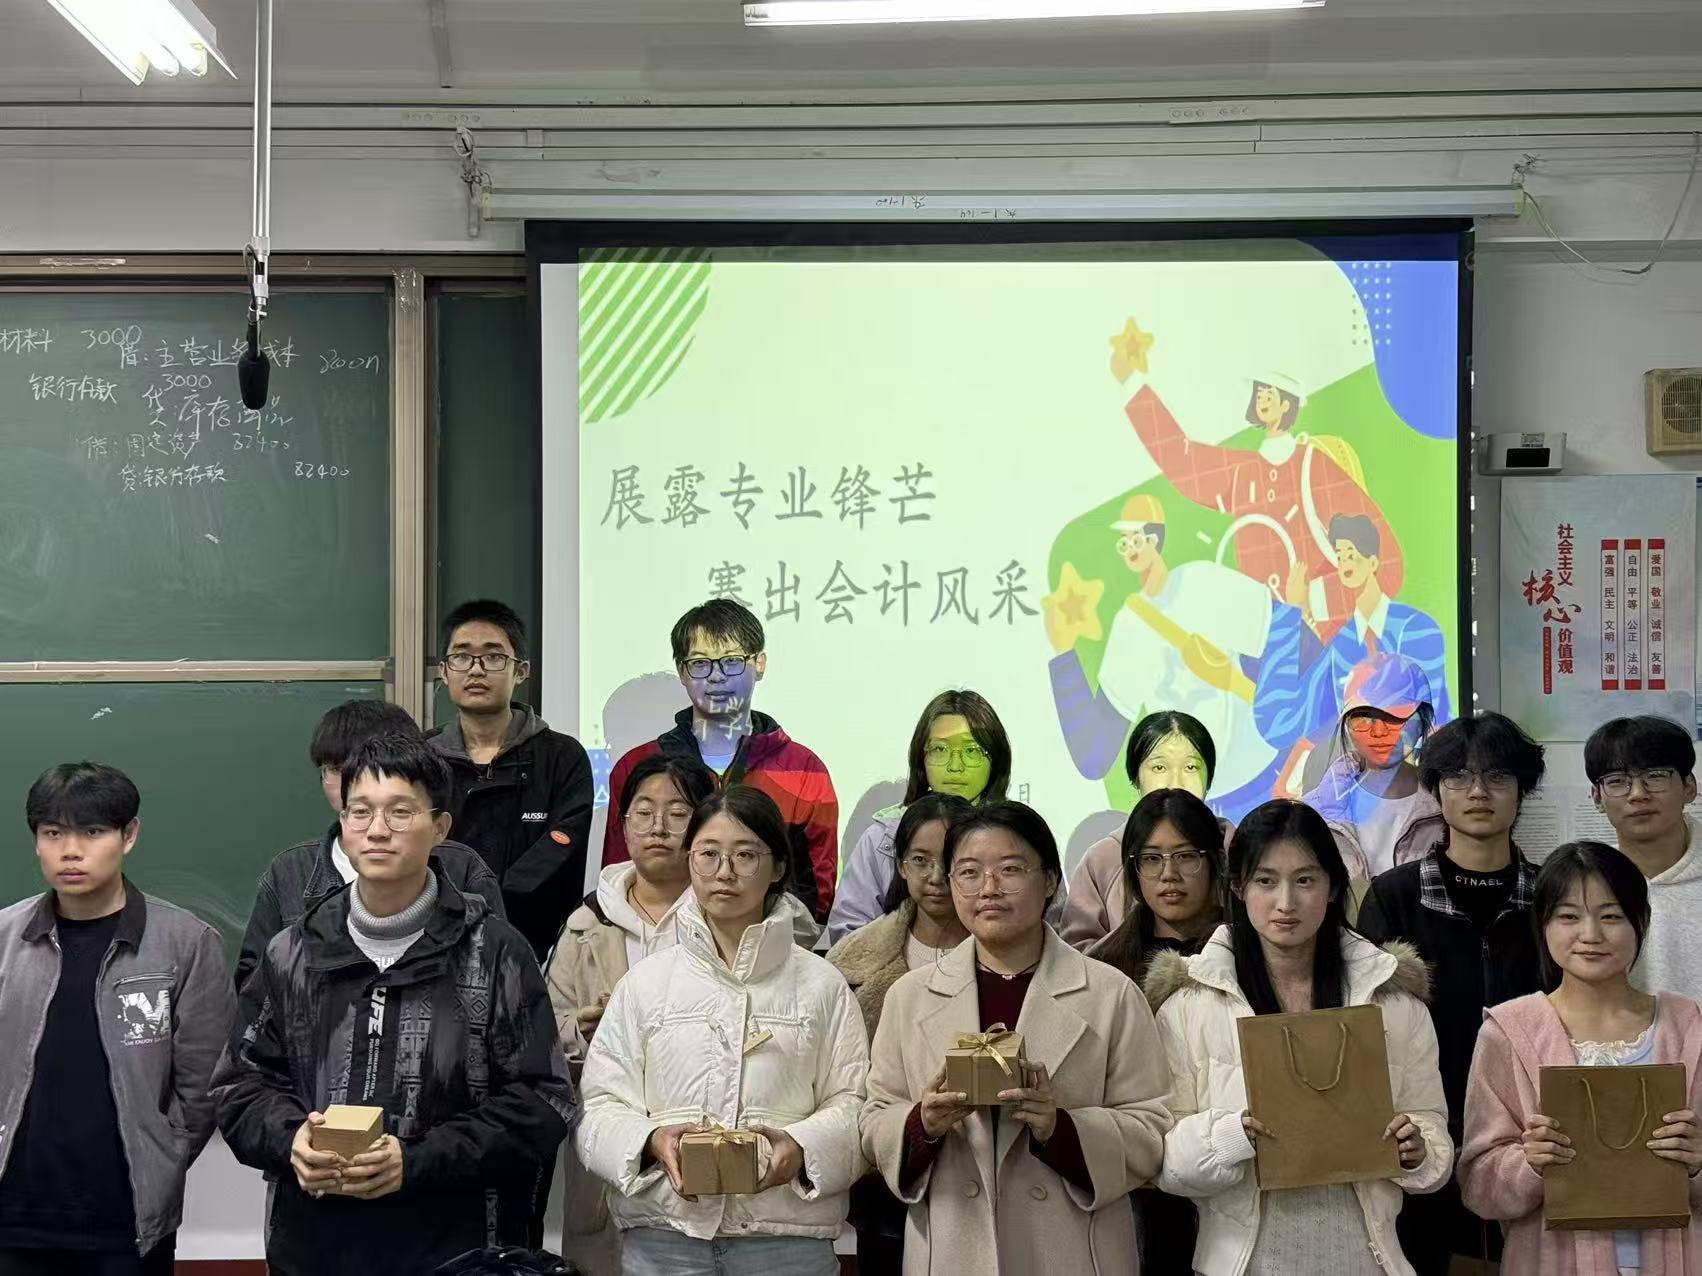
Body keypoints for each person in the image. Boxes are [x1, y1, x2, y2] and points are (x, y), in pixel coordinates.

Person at [212, 733, 577, 1276]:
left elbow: (544, 1101)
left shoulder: (494, 951)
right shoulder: (295, 951)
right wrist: (293, 1141)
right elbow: (239, 1086)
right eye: (360, 812)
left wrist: (416, 1160)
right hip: (317, 1247)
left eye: (400, 812)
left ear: (441, 828)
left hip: (457, 1250)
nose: (377, 830)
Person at [862, 801, 1173, 1276]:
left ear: (1049, 880)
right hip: (952, 1250)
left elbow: (1152, 1128)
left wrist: (1060, 1128)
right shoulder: (910, 996)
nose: (988, 888)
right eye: (969, 872)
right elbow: (875, 1117)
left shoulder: (1111, 994)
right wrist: (922, 1124)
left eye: (1009, 869)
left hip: (1072, 1252)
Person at [1146, 799, 1451, 1276]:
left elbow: (1432, 1129)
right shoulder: (1189, 1007)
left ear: (1333, 887)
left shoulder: (1392, 1002)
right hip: (1244, 1264)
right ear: (1238, 886)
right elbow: (1166, 1162)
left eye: (1305, 880)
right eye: (1266, 881)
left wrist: (1417, 1150)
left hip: (1365, 1261)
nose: (1286, 902)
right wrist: (1232, 1134)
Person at [576, 786, 867, 1276]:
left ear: (778, 868)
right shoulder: (645, 983)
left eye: (745, 855)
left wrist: (800, 1147)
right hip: (664, 1241)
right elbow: (599, 1103)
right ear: (689, 861)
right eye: (708, 854)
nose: (724, 872)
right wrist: (652, 1141)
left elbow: (856, 1102)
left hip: (786, 1243)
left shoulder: (822, 985)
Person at [0, 763, 234, 1276]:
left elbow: (206, 1086)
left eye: (92, 832)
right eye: (53, 833)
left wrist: (164, 1154)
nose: (70, 851)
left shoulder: (186, 943)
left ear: (129, 835)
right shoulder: (5, 939)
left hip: (127, 1219)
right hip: (13, 1215)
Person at [1357, 712, 1547, 1275]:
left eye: (1497, 776)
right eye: (1459, 776)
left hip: (1533, 1144)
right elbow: (1366, 1029)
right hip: (1422, 1141)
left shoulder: (1553, 897)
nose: (1478, 792)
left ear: (1521, 789)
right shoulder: (1393, 898)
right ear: (1437, 789)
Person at [1459, 841, 1702, 1274]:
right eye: (1569, 916)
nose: (1591, 935)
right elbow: (1478, 1183)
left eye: (1611, 916)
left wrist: (1698, 1162)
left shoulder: (1690, 1025)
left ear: (1641, 922)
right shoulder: (1508, 1031)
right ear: (1543, 925)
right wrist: (1529, 1164)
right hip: (1552, 1261)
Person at [1111, 321, 1403, 633]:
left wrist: (1312, 599)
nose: (1262, 399)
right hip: (1265, 640)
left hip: (1321, 638)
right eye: (1260, 392)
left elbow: (1386, 563)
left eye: (1270, 393)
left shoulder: (1313, 468)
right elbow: (1184, 462)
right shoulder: (1244, 473)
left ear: (1287, 403)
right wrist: (1133, 386)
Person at [544, 754, 717, 1276]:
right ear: (623, 826)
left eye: (677, 813)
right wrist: (582, 1032)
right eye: (643, 812)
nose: (658, 827)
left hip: (700, 1127)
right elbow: (544, 1030)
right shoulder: (585, 924)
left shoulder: (726, 916)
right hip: (609, 1133)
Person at [236, 696, 504, 993]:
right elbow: (255, 989)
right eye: (335, 768)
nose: (351, 780)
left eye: (370, 765)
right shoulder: (290, 871)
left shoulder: (463, 868)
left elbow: (499, 981)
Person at [601, 598, 839, 926]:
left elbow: (815, 890)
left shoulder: (804, 769)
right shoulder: (638, 766)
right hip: (655, 942)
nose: (716, 677)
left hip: (767, 946)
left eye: (731, 661)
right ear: (682, 672)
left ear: (759, 664)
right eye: (700, 663)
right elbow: (619, 875)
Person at [1042, 493, 1278, 805]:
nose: (1130, 548)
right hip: (1190, 803)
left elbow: (1284, 637)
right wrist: (1064, 653)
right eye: (1124, 542)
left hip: (1261, 775)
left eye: (1137, 539)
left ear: (1156, 539)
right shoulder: (1128, 624)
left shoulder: (1203, 579)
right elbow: (1095, 752)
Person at [826, 792, 974, 1271]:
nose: (935, 877)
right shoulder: (851, 962)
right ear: (900, 867)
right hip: (886, 1179)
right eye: (919, 860)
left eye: (951, 861)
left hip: (986, 1171)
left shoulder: (1011, 956)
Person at [1089, 787, 1227, 1276]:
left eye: (1186, 857)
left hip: (1236, 1162)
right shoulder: (1103, 969)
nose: (1168, 875)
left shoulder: (1252, 955)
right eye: (1151, 859)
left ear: (1214, 863)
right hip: (1141, 1185)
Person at [427, 597, 595, 959]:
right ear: (444, 671)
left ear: (521, 671)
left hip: (537, 946)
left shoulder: (563, 756)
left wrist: (489, 907)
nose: (476, 670)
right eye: (461, 657)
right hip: (436, 939)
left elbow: (560, 851)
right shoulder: (422, 756)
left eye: (493, 657)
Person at [1254, 512, 1450, 760]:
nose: (1345, 563)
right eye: (1340, 556)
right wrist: (1291, 615)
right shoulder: (1343, 644)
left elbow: (1431, 719)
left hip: (1416, 774)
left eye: (1352, 554)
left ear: (1373, 562)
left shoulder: (1417, 628)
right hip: (1361, 775)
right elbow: (1281, 719)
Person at [826, 690, 1009, 944]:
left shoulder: (1021, 836)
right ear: (920, 757)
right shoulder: (882, 839)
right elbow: (849, 936)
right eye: (940, 749)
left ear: (996, 759)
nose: (955, 766)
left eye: (971, 750)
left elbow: (1052, 930)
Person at [1061, 710, 1229, 949]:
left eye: (1191, 767)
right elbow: (1076, 952)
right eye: (1159, 768)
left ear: (1209, 778)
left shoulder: (1237, 849)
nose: (1176, 781)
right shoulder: (1102, 859)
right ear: (1135, 778)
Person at [1302, 652, 1441, 891]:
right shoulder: (1313, 813)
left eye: (1395, 717)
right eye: (1364, 718)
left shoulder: (1447, 810)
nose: (1378, 732)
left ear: (1424, 720)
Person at [1584, 716, 1701, 997]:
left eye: (1655, 776)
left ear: (1689, 787)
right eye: (1617, 781)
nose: (1637, 794)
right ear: (1597, 797)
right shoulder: (1586, 886)